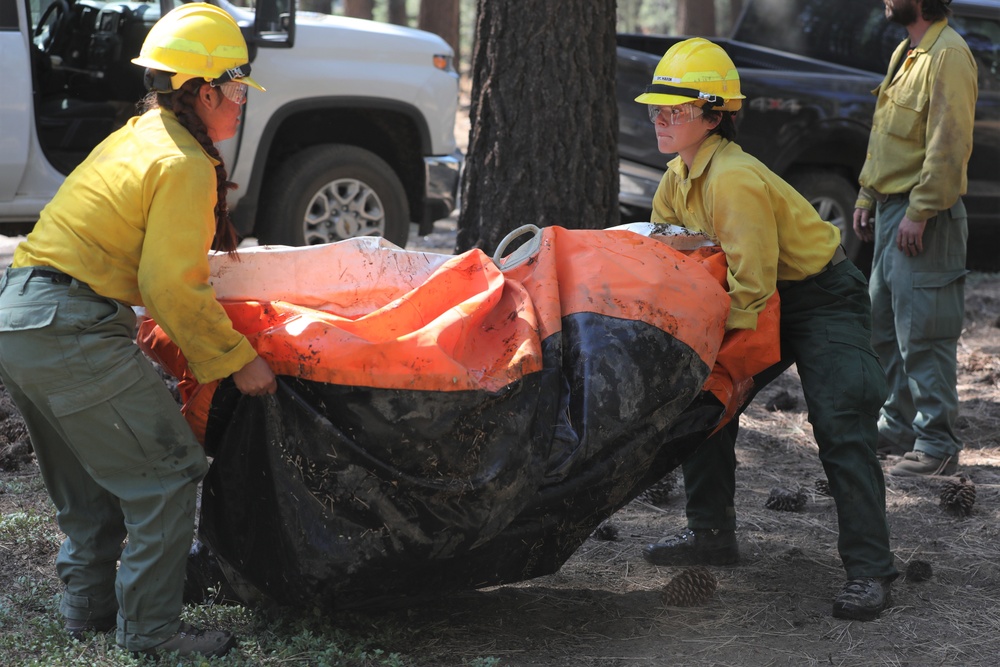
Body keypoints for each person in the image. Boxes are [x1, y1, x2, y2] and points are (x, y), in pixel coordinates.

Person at [0, 3, 277, 658]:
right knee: (168, 472)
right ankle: (152, 635)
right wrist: (239, 360)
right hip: (70, 325)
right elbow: (170, 287)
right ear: (204, 90)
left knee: (93, 486)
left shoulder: (135, 136)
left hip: (20, 318)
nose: (239, 105)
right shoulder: (183, 162)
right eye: (236, 90)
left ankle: (88, 609)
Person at [636, 38, 898, 621]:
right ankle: (711, 534)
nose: (658, 118)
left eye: (672, 110)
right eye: (655, 107)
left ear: (713, 114)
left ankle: (870, 569)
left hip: (820, 297)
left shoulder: (733, 179)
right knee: (707, 403)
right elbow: (666, 261)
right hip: (757, 294)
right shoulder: (677, 177)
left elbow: (752, 291)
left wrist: (723, 353)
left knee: (840, 419)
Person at [853, 0, 977, 477]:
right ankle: (897, 426)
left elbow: (950, 144)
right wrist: (866, 196)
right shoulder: (909, 50)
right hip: (891, 211)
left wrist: (921, 211)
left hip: (923, 213)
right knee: (883, 325)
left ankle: (936, 441)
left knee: (925, 331)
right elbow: (887, 134)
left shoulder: (949, 54)